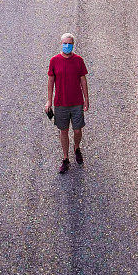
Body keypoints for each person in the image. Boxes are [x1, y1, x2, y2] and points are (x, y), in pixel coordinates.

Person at [45, 33, 89, 174]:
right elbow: (51, 81)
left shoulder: (78, 60)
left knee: (77, 130)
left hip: (76, 103)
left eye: (69, 43)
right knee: (63, 131)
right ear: (61, 43)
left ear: (73, 45)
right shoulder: (54, 61)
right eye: (65, 43)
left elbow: (83, 80)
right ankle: (65, 158)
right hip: (60, 104)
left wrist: (86, 99)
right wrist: (49, 101)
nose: (67, 46)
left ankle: (76, 148)